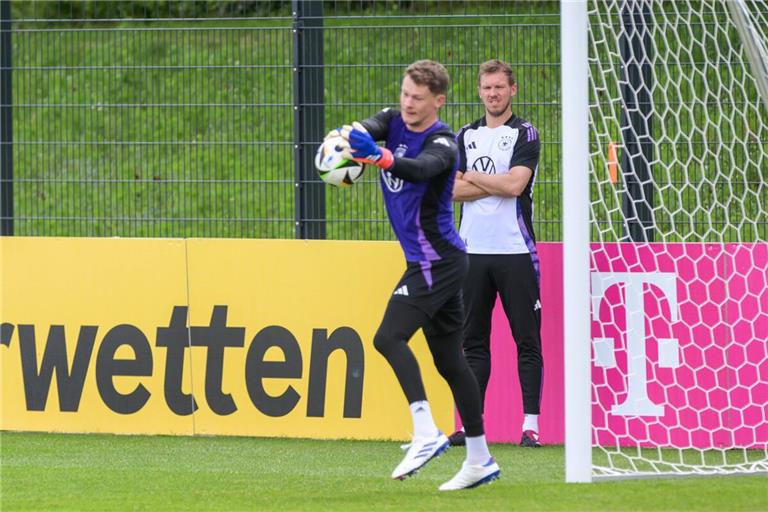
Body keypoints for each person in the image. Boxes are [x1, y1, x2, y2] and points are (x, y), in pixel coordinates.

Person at [329, 59, 500, 490]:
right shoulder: (393, 119)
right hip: (429, 262)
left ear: (437, 101)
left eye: (418, 98)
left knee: (387, 337)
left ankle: (425, 430)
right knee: (449, 360)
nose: (408, 103)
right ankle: (479, 459)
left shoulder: (444, 142)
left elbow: (421, 168)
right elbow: (369, 125)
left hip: (437, 262)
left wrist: (381, 157)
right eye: (405, 93)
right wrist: (350, 137)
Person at [450, 59, 544, 448]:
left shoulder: (524, 132)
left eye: (500, 87)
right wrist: (495, 181)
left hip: (515, 250)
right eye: (487, 87)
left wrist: (473, 176)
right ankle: (472, 425)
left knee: (527, 339)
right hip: (472, 251)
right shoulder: (465, 136)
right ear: (479, 90)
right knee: (473, 342)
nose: (493, 94)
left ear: (513, 90)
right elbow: (450, 190)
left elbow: (516, 186)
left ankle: (531, 426)